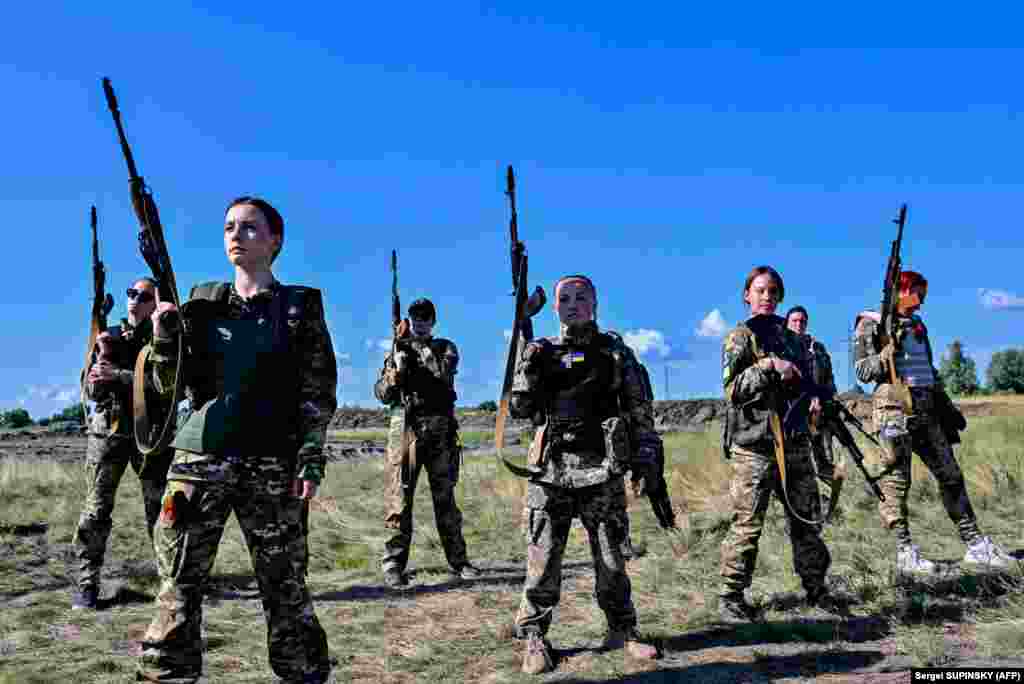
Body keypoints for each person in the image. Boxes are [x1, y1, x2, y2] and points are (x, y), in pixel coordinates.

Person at [136, 197, 337, 684]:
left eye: (250, 228)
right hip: (198, 465)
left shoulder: (299, 307)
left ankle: (303, 675)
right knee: (178, 587)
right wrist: (163, 340)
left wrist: (310, 459)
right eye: (229, 227)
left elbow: (318, 392)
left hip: (272, 465)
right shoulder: (200, 304)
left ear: (275, 241)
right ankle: (168, 676)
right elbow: (169, 389)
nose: (236, 236)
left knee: (285, 587)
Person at [509, 274, 659, 675]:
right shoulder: (540, 350)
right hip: (551, 470)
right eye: (564, 298)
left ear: (594, 303)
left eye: (581, 297)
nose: (572, 304)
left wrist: (646, 459)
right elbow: (521, 408)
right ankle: (534, 636)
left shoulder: (614, 352)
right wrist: (525, 354)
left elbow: (639, 407)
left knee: (612, 559)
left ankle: (623, 631)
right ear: (554, 307)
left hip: (602, 467)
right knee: (543, 561)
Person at [853, 270, 1014, 574]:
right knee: (897, 484)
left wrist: (948, 407)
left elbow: (928, 369)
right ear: (900, 291)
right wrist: (888, 351)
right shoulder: (871, 323)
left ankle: (976, 545)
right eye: (916, 294)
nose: (920, 302)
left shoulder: (917, 325)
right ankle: (905, 553)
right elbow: (863, 371)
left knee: (951, 475)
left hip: (928, 411)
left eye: (923, 296)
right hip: (894, 412)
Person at [719, 266, 840, 623]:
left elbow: (810, 385)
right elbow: (732, 391)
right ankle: (730, 597)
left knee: (807, 520)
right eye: (760, 290)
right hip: (755, 447)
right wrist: (769, 366)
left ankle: (817, 590)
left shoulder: (795, 339)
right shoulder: (739, 337)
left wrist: (816, 400)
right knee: (747, 525)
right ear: (747, 295)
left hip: (795, 443)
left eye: (773, 291)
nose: (767, 296)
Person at [72, 277, 171, 610]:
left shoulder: (163, 339)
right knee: (96, 510)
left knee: (159, 511)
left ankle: (170, 581)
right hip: (108, 434)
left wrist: (119, 375)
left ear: (155, 304)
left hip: (150, 436)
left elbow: (164, 385)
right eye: (131, 294)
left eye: (143, 296)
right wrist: (99, 370)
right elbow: (90, 391)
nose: (134, 300)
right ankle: (87, 583)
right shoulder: (108, 335)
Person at [373, 297, 479, 587]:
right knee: (399, 501)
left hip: (440, 432)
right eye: (415, 317)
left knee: (445, 501)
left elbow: (442, 376)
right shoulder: (398, 350)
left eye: (425, 318)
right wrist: (396, 369)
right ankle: (394, 565)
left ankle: (459, 562)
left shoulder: (445, 348)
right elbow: (382, 394)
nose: (419, 322)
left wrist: (415, 350)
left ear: (433, 322)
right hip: (405, 432)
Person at [784, 305, 838, 486]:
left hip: (819, 413)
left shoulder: (817, 348)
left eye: (802, 321)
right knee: (798, 464)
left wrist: (828, 399)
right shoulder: (781, 346)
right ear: (787, 323)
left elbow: (829, 377)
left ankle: (829, 501)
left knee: (825, 459)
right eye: (795, 321)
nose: (799, 324)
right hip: (793, 413)